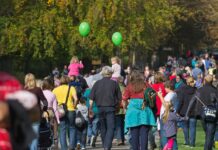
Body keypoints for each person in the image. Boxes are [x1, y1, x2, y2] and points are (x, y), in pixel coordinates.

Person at [89, 66, 122, 150]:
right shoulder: (114, 84)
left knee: (103, 127)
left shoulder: (97, 83)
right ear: (110, 74)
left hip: (100, 108)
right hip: (111, 108)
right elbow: (119, 98)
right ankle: (107, 146)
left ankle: (105, 145)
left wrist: (90, 108)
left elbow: (91, 99)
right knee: (111, 127)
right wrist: (118, 107)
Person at [123, 70, 156, 150]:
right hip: (145, 109)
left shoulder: (130, 86)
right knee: (144, 133)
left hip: (133, 111)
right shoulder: (146, 85)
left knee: (134, 134)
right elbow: (153, 95)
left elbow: (124, 99)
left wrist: (125, 108)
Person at [186, 74, 218, 150]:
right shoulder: (215, 91)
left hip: (202, 114)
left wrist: (187, 114)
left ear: (204, 80)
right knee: (210, 134)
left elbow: (192, 102)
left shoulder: (199, 90)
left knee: (208, 134)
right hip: (212, 114)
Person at [52, 75, 78, 150]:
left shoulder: (55, 90)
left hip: (60, 111)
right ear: (68, 81)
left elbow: (53, 101)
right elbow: (76, 99)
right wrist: (74, 106)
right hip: (70, 109)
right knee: (72, 128)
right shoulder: (71, 88)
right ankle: (72, 146)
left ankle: (64, 148)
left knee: (62, 129)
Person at [24, 73, 48, 150]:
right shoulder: (37, 90)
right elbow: (45, 102)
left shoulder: (23, 90)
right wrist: (44, 110)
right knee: (34, 138)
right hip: (35, 116)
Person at [157, 80, 178, 150]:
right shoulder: (172, 94)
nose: (164, 89)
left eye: (165, 87)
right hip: (168, 116)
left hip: (166, 117)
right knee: (171, 137)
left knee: (165, 136)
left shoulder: (171, 95)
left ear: (169, 87)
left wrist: (160, 96)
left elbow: (166, 105)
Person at [177, 77, 196, 147]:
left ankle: (187, 142)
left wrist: (177, 111)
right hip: (193, 111)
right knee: (192, 128)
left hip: (184, 111)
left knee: (185, 127)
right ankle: (192, 143)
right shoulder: (196, 90)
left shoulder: (183, 90)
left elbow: (181, 101)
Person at [42, 78, 59, 148]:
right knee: (53, 128)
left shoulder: (40, 93)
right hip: (50, 113)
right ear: (50, 86)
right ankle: (54, 140)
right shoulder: (52, 95)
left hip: (42, 113)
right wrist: (57, 120)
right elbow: (55, 108)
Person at [83, 81, 99, 148]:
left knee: (89, 124)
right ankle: (94, 136)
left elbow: (83, 99)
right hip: (97, 110)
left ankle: (89, 138)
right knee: (95, 125)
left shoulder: (87, 91)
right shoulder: (99, 92)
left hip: (89, 110)